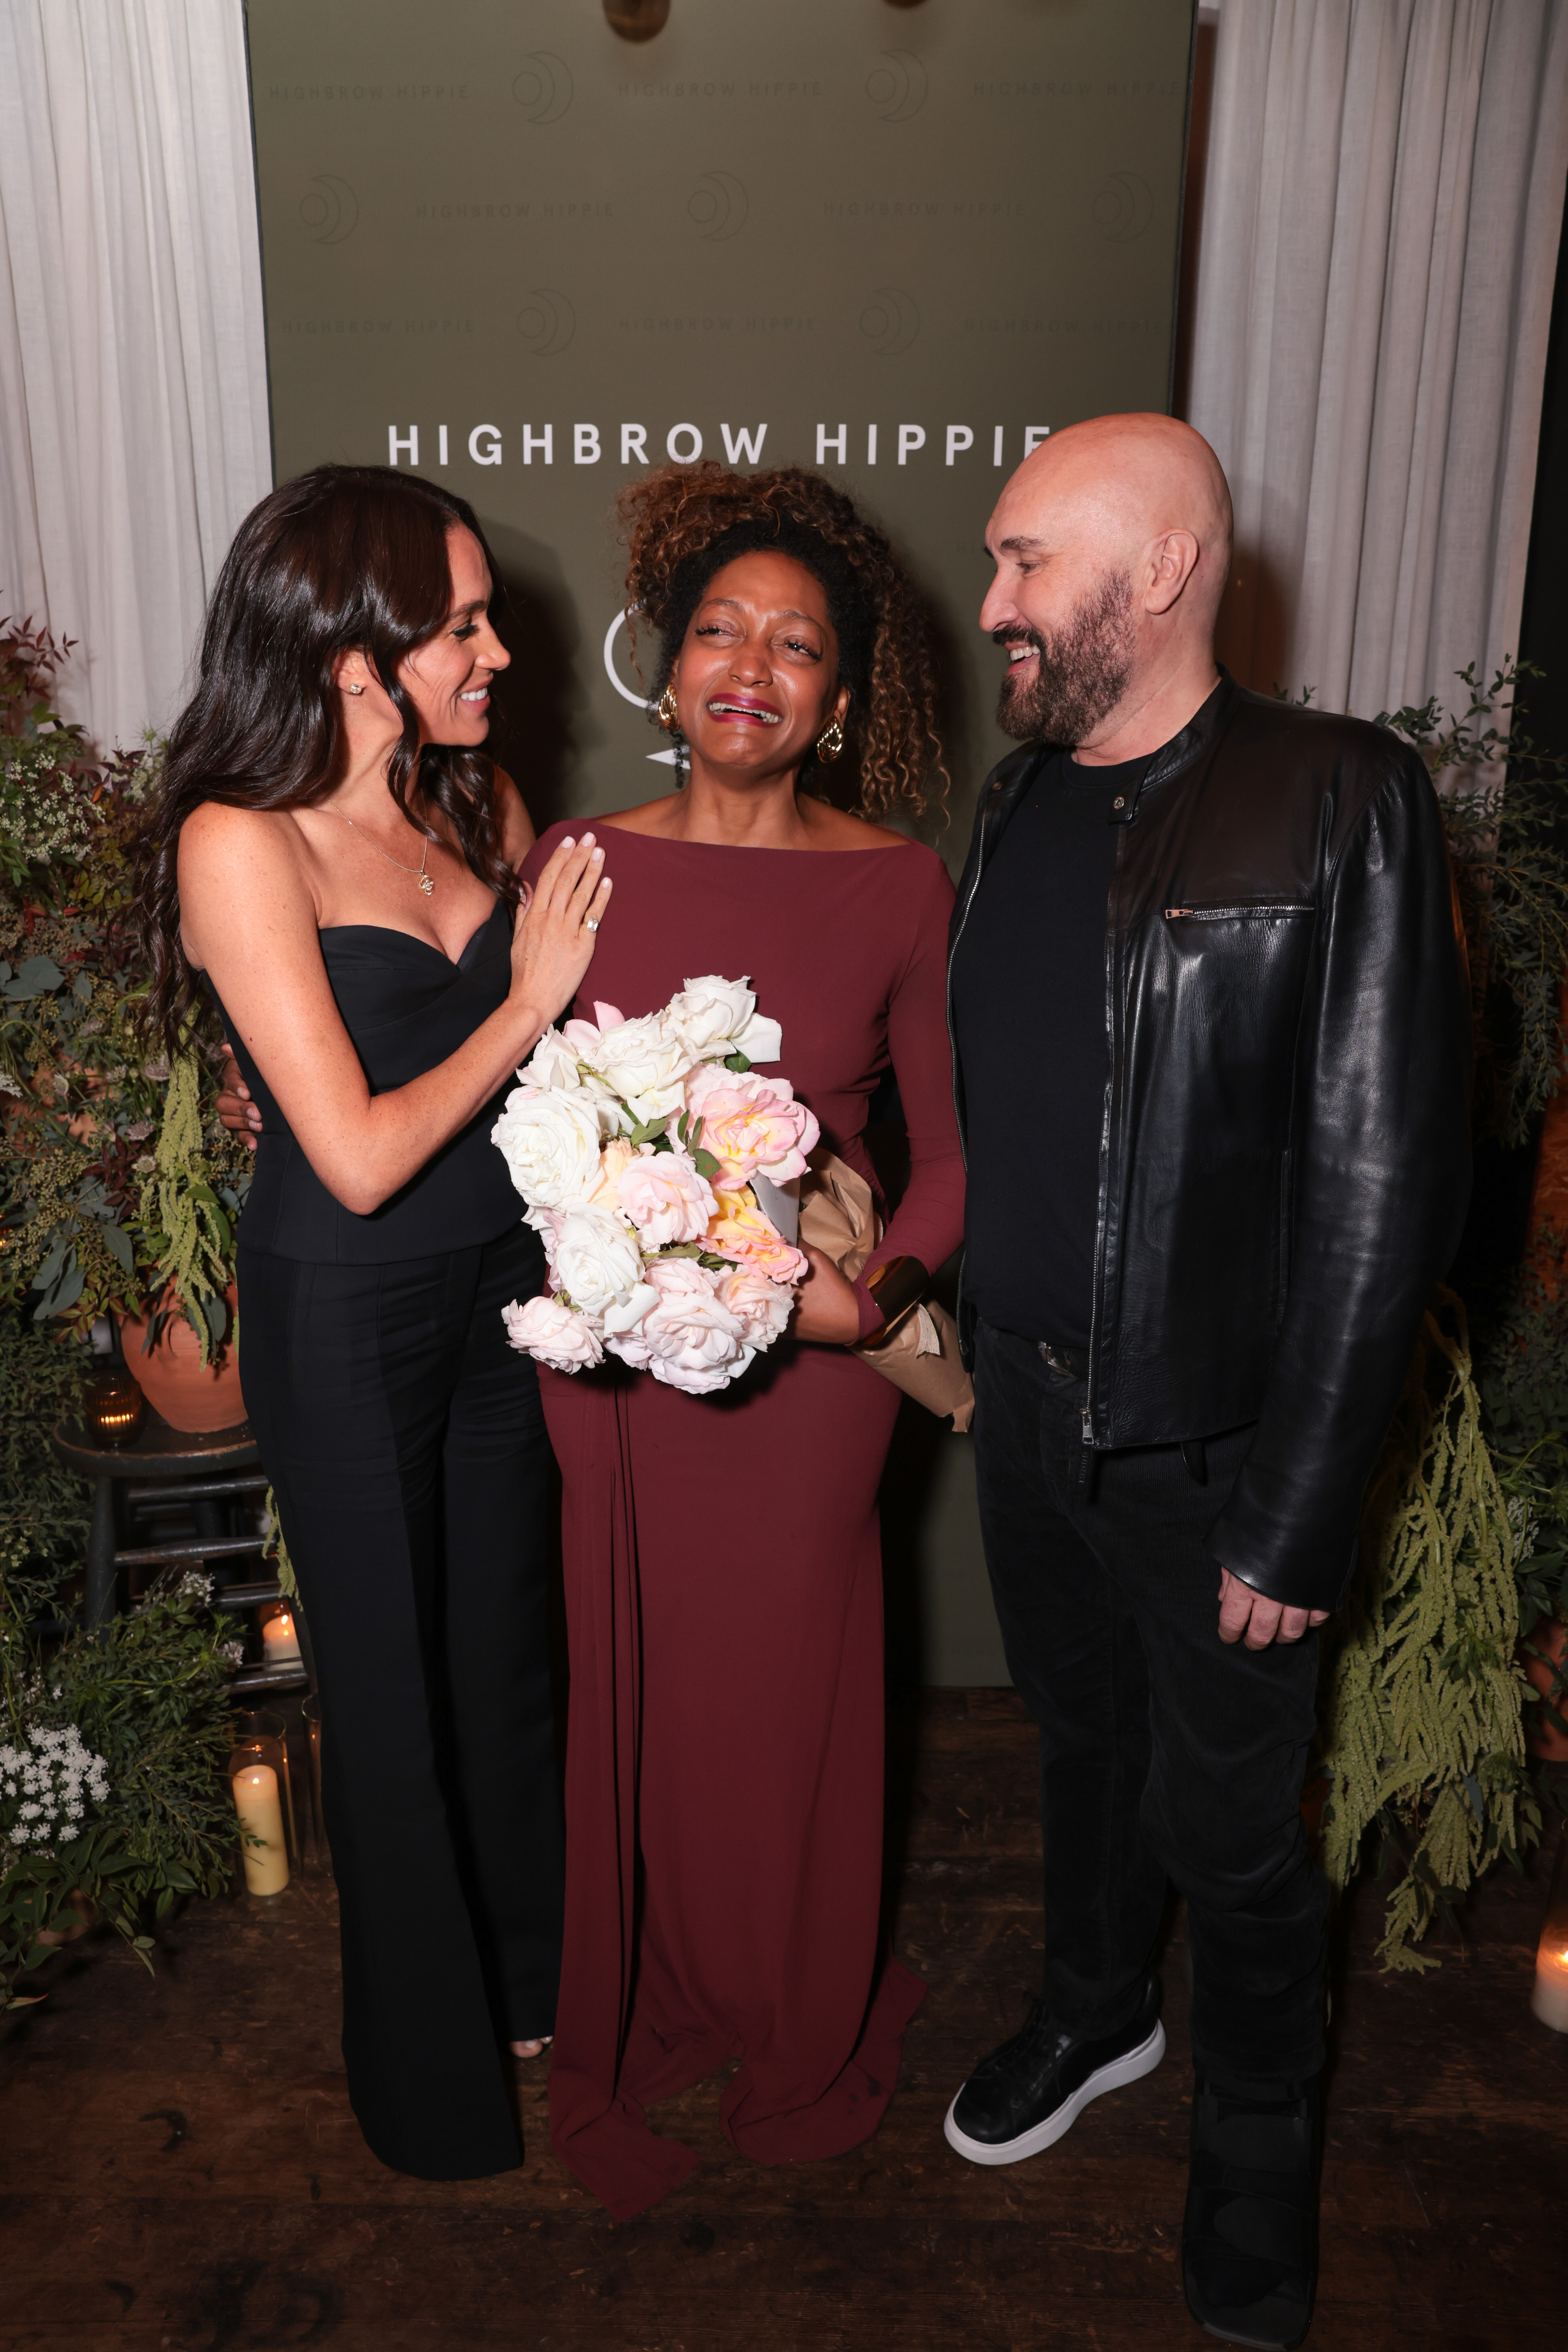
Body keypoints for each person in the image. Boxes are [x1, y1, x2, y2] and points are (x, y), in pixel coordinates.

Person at [944, 414, 1471, 2349]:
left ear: (1157, 572)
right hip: (1026, 1415)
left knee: (1241, 1845)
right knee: (1076, 1759)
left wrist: (1299, 1501)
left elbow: (1384, 1181)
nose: (990, 602)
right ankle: (1094, 2010)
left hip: (1218, 1461)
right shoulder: (1010, 808)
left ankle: (1254, 2152)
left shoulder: (1337, 795)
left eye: (1023, 563)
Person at [136, 464, 612, 2180]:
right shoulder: (236, 840)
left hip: (503, 1295)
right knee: (390, 1696)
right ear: (352, 650)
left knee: (504, 1657)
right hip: (340, 1313)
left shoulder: (468, 806)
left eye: (487, 615)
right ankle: (430, 2086)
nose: (495, 651)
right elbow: (348, 1155)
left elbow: (549, 1087)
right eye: (461, 622)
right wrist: (533, 999)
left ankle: (539, 1989)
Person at [522, 464, 964, 2220]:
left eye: (795, 649)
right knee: (641, 1687)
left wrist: (879, 1293)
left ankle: (789, 2001)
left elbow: (955, 1145)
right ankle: (659, 1989)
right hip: (618, 1366)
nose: (750, 668)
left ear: (838, 702)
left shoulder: (900, 882)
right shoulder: (578, 865)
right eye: (721, 632)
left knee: (782, 1697)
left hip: (809, 1374)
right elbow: (519, 1098)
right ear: (669, 664)